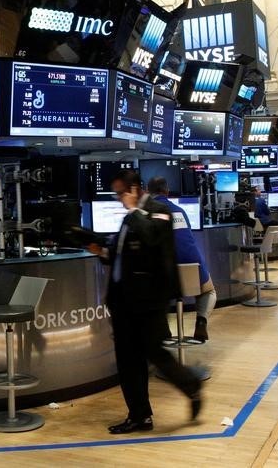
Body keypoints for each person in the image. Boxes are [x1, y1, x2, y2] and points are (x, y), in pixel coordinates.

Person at [88, 170, 201, 434]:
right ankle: (139, 416)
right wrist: (101, 250)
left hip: (149, 301)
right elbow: (122, 254)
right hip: (123, 302)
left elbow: (151, 237)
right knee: (128, 361)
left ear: (134, 189)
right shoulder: (131, 217)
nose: (118, 199)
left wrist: (133, 211)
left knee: (155, 353)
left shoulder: (158, 211)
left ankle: (191, 386)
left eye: (120, 193)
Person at [147, 177, 216, 342]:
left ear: (149, 192)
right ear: (167, 191)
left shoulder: (147, 213)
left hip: (165, 276)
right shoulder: (181, 211)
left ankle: (163, 329)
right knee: (209, 291)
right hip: (193, 269)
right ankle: (201, 321)